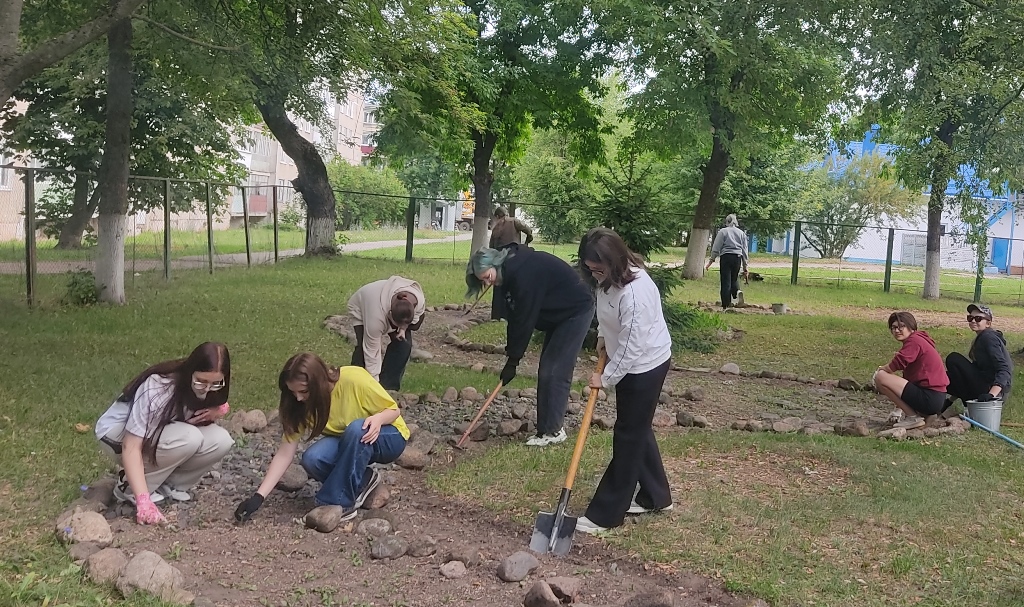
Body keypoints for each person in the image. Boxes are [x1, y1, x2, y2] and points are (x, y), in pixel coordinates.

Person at [574, 228, 674, 534]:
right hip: (629, 361)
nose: (594, 274)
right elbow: (607, 315)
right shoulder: (608, 280)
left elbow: (632, 347)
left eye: (598, 268)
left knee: (628, 435)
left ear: (614, 260)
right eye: (589, 268)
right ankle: (657, 497)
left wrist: (604, 378)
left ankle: (606, 514)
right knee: (636, 427)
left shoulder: (636, 292)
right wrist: (604, 337)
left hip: (646, 366)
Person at [234, 353, 409, 523]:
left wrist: (378, 419)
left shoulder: (354, 378)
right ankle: (365, 480)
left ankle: (340, 504)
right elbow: (285, 454)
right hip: (351, 441)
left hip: (390, 436)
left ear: (318, 382)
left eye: (303, 391)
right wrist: (258, 497)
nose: (299, 397)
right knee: (313, 458)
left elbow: (394, 410)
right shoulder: (299, 404)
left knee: (357, 429)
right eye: (293, 392)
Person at [466, 243, 594, 446]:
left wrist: (514, 361)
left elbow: (525, 319)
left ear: (495, 263)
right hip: (557, 313)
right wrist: (511, 355)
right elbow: (515, 317)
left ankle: (553, 432)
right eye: (483, 280)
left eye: (487, 277)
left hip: (576, 310)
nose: (487, 282)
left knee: (555, 371)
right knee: (547, 369)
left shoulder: (522, 274)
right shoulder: (508, 271)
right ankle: (545, 430)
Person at [94, 342, 234, 525]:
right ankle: (130, 490)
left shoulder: (213, 386)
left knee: (221, 440)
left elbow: (214, 403)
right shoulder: (158, 388)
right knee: (189, 437)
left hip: (160, 430)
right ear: (190, 370)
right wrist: (143, 502)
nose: (207, 389)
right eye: (201, 381)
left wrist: (220, 409)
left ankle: (166, 486)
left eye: (215, 383)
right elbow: (131, 445)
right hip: (116, 433)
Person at [347, 276, 426, 391]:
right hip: (362, 306)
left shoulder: (418, 300)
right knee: (364, 349)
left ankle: (389, 387)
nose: (396, 328)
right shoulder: (376, 316)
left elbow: (412, 321)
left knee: (403, 345)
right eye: (394, 325)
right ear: (389, 314)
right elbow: (372, 353)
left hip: (395, 311)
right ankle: (356, 385)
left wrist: (402, 330)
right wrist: (374, 384)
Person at [873, 312, 950, 429]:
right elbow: (906, 381)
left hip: (930, 397)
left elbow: (900, 361)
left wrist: (885, 368)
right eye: (893, 328)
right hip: (936, 398)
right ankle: (921, 415)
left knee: (880, 377)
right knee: (887, 378)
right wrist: (897, 410)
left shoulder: (914, 341)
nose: (897, 330)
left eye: (901, 326)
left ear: (911, 327)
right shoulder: (919, 340)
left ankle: (912, 417)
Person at [944, 304, 1012, 409]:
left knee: (953, 359)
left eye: (978, 318)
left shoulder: (988, 338)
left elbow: (1004, 368)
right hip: (984, 384)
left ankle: (971, 406)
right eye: (970, 318)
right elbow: (973, 371)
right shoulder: (982, 338)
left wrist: (991, 395)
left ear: (988, 323)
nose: (973, 321)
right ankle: (943, 406)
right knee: (945, 378)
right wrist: (950, 400)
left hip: (993, 391)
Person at [488, 206, 534, 320]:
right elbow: (528, 230)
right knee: (514, 284)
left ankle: (497, 315)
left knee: (499, 286)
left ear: (498, 216)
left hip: (500, 259)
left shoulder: (495, 228)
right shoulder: (514, 221)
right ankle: (512, 313)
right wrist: (528, 239)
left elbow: (491, 247)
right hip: (514, 256)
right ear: (506, 214)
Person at [704, 214, 749, 309]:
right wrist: (745, 266)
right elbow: (745, 250)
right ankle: (737, 292)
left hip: (726, 257)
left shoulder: (723, 232)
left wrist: (711, 261)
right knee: (734, 278)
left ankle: (726, 304)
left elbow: (716, 247)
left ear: (727, 221)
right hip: (737, 257)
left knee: (726, 281)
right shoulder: (741, 233)